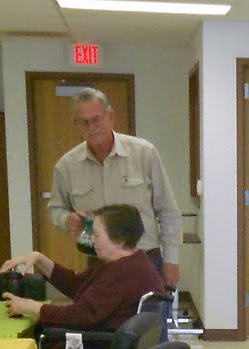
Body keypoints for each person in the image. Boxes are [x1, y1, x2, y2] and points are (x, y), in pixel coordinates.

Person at [47, 87, 183, 287]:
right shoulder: (66, 166)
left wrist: (171, 260)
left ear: (111, 117)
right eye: (83, 122)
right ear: (76, 125)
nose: (91, 127)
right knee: (100, 318)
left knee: (148, 318)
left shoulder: (144, 153)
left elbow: (168, 211)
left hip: (145, 261)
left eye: (96, 119)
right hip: (99, 263)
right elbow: (54, 208)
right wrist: (65, 219)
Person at [0, 203, 165, 329]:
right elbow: (78, 285)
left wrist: (31, 307)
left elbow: (79, 315)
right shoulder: (131, 263)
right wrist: (41, 260)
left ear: (119, 240)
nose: (92, 240)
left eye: (97, 235)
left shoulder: (123, 273)